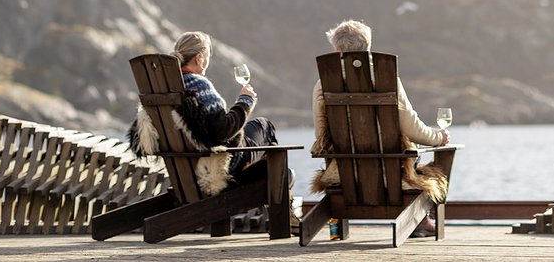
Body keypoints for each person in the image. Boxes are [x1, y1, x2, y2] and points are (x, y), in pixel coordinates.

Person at [311, 19, 449, 237]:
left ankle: (418, 221)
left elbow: (321, 136)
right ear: (367, 47)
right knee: (417, 156)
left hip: (347, 174)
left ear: (338, 51)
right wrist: (438, 138)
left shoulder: (323, 84)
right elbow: (411, 127)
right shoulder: (387, 79)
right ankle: (421, 219)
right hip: (392, 174)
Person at [129, 30, 279, 198]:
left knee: (258, 128)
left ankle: (266, 186)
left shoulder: (165, 88)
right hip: (218, 166)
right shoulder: (198, 84)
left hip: (185, 172)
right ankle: (276, 196)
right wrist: (245, 101)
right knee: (265, 127)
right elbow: (224, 130)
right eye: (208, 55)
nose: (208, 61)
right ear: (199, 58)